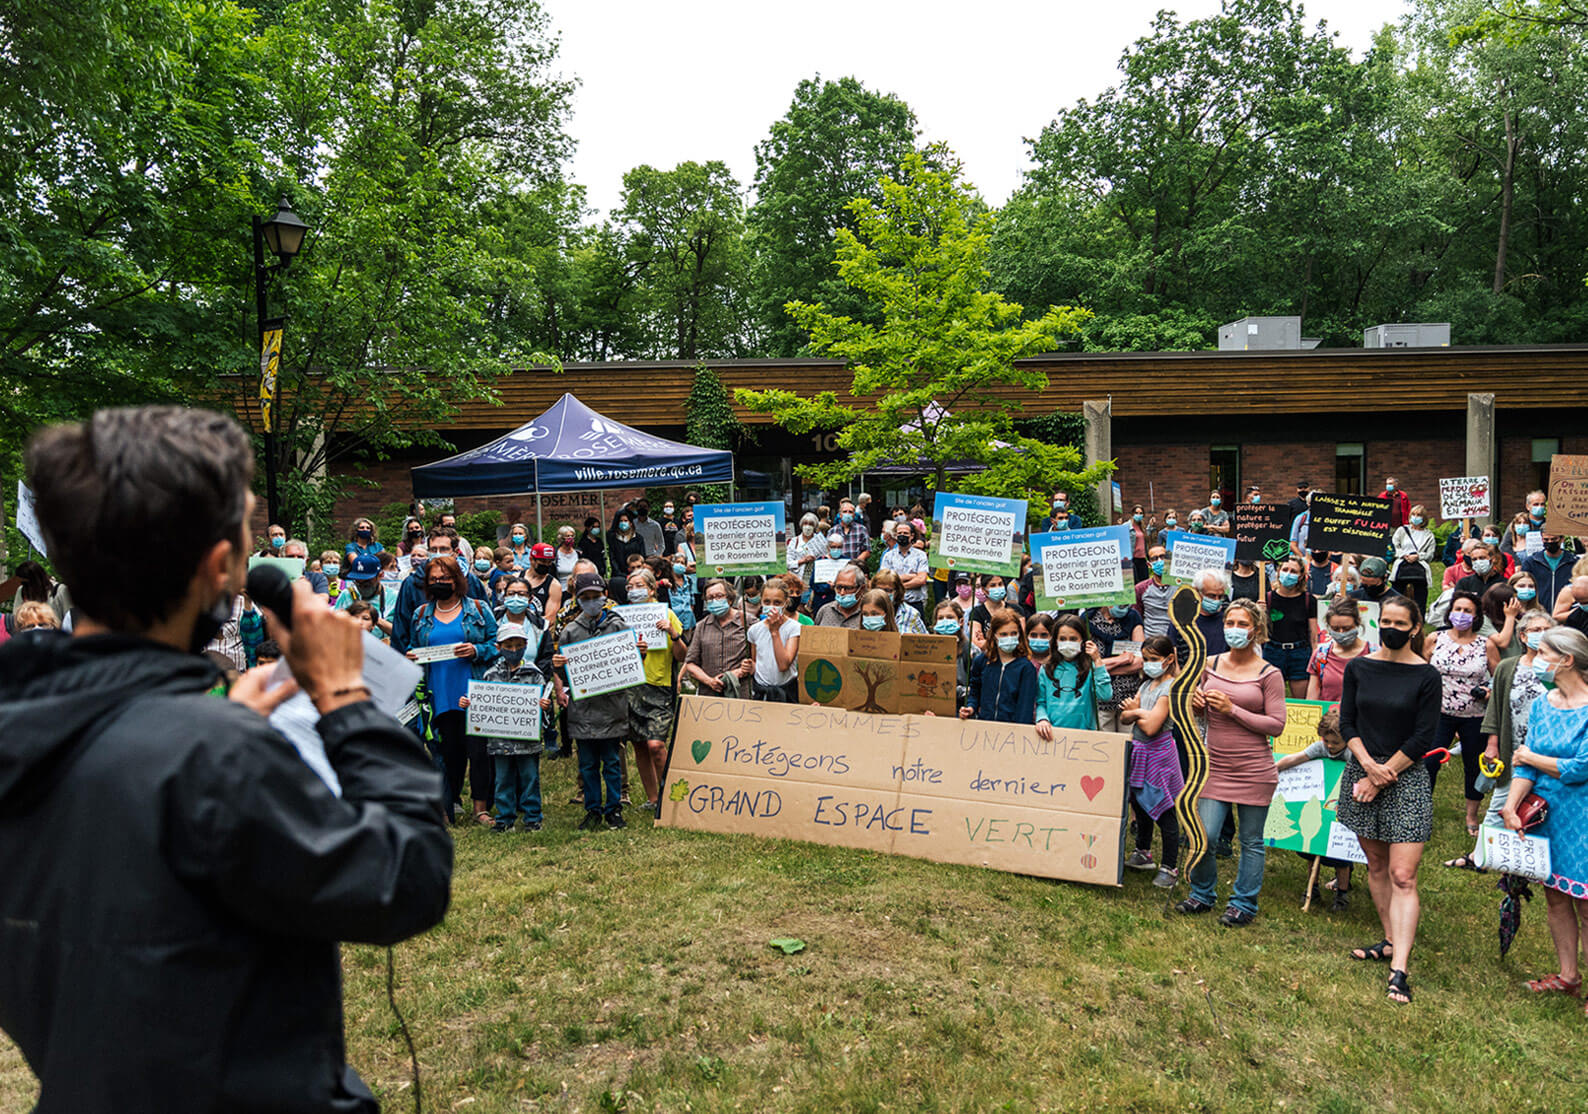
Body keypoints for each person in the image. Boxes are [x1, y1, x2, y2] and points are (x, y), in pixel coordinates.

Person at [0, 405, 450, 1111]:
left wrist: (206, 727)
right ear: (218, 567)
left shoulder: (27, 732)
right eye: (245, 529)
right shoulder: (212, 758)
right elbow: (405, 878)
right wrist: (345, 697)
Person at [1336, 595, 1442, 1004]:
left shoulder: (1427, 676)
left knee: (1403, 874)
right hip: (1363, 773)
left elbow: (1423, 736)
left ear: (1415, 628)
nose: (1392, 628)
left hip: (1405, 778)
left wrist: (1382, 777)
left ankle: (1400, 969)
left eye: (1401, 622)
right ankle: (1389, 940)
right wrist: (1366, 765)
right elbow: (1347, 721)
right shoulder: (1359, 667)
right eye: (1386, 621)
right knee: (1376, 863)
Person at [1176, 599, 1287, 926]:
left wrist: (1232, 710)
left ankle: (1243, 903)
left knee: (1251, 841)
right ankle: (1202, 893)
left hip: (1254, 769)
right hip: (1213, 766)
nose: (1234, 630)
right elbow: (1190, 709)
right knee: (1205, 835)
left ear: (1255, 630)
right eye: (1230, 623)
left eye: (1242, 624)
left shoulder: (1270, 674)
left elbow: (1277, 725)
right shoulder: (1208, 664)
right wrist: (1196, 705)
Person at [1501, 626, 1588, 1009]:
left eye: (1544, 652)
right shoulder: (1543, 704)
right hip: (1545, 813)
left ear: (1566, 660)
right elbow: (1525, 766)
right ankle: (1568, 975)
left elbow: (1581, 767)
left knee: (1587, 904)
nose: (1537, 659)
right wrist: (1509, 805)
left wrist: (1530, 758)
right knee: (1555, 896)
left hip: (1583, 815)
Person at [407, 553, 499, 826]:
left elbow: (497, 645)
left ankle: (481, 808)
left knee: (480, 752)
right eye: (434, 579)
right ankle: (450, 803)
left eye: (445, 578)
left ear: (457, 580)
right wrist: (412, 656)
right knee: (449, 753)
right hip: (438, 693)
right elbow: (414, 647)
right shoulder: (420, 614)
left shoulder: (479, 609)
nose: (440, 582)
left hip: (473, 689)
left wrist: (477, 649)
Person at [552, 572, 636, 830]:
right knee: (587, 764)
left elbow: (630, 668)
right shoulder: (570, 631)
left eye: (595, 597)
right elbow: (566, 676)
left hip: (612, 707)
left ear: (604, 596)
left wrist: (638, 654)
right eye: (585, 598)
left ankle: (613, 809)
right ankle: (592, 809)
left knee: (611, 761)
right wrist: (558, 667)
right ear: (577, 599)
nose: (591, 602)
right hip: (583, 710)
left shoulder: (618, 626)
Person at [458, 623, 553, 832]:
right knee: (502, 780)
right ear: (499, 647)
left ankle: (533, 817)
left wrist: (544, 706)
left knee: (530, 778)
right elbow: (482, 704)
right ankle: (504, 817)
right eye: (508, 645)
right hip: (499, 742)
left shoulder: (535, 674)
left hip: (527, 742)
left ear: (525, 645)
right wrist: (469, 703)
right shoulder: (490, 675)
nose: (513, 649)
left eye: (518, 645)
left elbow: (545, 705)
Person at [1424, 590, 1496, 845]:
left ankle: (1472, 816)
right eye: (1458, 609)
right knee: (1428, 763)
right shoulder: (1434, 638)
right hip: (1438, 713)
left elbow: (1497, 678)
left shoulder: (1486, 644)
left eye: (1468, 611)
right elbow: (1422, 671)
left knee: (1473, 766)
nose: (1461, 615)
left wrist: (1487, 690)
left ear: (1476, 616)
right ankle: (1421, 813)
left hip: (1474, 715)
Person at [1479, 612, 1557, 845]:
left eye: (1546, 629)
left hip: (1547, 749)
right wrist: (1493, 744)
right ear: (1522, 636)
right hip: (1513, 746)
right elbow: (1496, 707)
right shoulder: (1507, 667)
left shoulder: (1558, 667)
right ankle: (1482, 852)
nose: (1540, 635)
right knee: (1502, 800)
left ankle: (1527, 851)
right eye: (1535, 630)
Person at [1118, 635, 1185, 887]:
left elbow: (1153, 726)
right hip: (1140, 752)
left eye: (1153, 659)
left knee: (1164, 808)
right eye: (1145, 659)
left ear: (1168, 659)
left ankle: (1170, 866)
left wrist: (1135, 711)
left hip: (1159, 755)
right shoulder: (1146, 686)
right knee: (1140, 801)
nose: (1148, 664)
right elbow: (1124, 718)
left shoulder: (1170, 689)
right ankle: (1143, 851)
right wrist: (1137, 713)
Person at [1275, 709, 1354, 910]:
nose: (1330, 746)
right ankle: (1313, 888)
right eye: (1326, 741)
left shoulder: (1352, 754)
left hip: (1343, 810)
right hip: (1318, 807)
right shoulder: (1321, 748)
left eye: (1335, 743)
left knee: (1340, 857)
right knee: (1311, 849)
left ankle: (1342, 894)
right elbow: (1297, 758)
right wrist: (1275, 768)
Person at [624, 568, 684, 808]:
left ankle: (669, 796)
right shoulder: (621, 617)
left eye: (639, 585)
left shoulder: (666, 614)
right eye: (630, 587)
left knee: (655, 744)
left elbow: (681, 655)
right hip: (631, 687)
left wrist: (673, 634)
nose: (634, 590)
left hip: (659, 687)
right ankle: (653, 798)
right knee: (639, 744)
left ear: (651, 589)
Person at [391, 530, 487, 652]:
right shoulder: (412, 584)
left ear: (455, 552)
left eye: (444, 549)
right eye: (433, 549)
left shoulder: (471, 582)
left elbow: (489, 634)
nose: (438, 554)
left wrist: (477, 651)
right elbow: (401, 631)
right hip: (425, 664)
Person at [1035, 613, 1112, 733]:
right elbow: (1041, 702)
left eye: (1073, 639)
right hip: (1053, 733)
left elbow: (1105, 695)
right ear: (1055, 641)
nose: (1067, 643)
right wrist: (1042, 719)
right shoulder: (1046, 669)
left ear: (1083, 641)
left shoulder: (1090, 668)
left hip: (1083, 734)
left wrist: (1097, 661)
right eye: (1062, 639)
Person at [961, 611, 1037, 723]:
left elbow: (1025, 705)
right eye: (1004, 634)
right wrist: (971, 707)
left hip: (1012, 728)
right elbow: (975, 690)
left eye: (1013, 633)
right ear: (994, 635)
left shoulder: (1026, 667)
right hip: (985, 724)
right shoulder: (981, 661)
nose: (1009, 638)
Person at [683, 579, 753, 697]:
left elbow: (759, 658)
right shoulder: (701, 626)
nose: (715, 600)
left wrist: (741, 671)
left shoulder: (748, 622)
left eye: (719, 596)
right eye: (710, 598)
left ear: (730, 599)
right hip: (709, 695)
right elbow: (690, 663)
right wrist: (710, 681)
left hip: (740, 693)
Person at [1087, 601, 1143, 733]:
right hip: (1100, 698)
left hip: (1129, 698)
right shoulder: (1088, 619)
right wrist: (1120, 660)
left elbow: (1141, 661)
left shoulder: (1133, 617)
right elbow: (1086, 664)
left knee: (1128, 744)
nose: (1125, 607)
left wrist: (1101, 666)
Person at [1264, 556, 1316, 698]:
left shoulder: (1308, 600)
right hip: (1273, 651)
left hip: (1300, 652)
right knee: (1271, 698)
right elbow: (1259, 631)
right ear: (1279, 572)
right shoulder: (1267, 598)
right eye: (1285, 569)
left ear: (1300, 577)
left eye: (1293, 571)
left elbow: (1313, 632)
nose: (1288, 573)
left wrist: (1315, 655)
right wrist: (1259, 612)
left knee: (1302, 702)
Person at [747, 578, 801, 702]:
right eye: (767, 602)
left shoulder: (794, 628)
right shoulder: (754, 630)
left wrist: (775, 631)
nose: (771, 607)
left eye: (777, 603)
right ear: (761, 601)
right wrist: (750, 666)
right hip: (762, 691)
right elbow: (756, 661)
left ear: (786, 603)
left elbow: (783, 665)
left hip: (786, 691)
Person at [1307, 599, 1371, 702]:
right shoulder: (1321, 655)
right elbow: (1312, 698)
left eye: (1347, 628)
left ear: (1357, 622)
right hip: (1329, 715)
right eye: (1335, 629)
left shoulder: (1372, 653)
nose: (1341, 633)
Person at [332, 553, 394, 640]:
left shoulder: (394, 598)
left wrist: (375, 620)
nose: (362, 586)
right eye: (358, 582)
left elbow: (402, 634)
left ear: (380, 575)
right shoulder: (347, 595)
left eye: (367, 582)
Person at [1174, 568, 1230, 659]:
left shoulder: (1230, 616)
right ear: (1196, 591)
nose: (1216, 600)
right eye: (1211, 596)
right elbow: (1174, 651)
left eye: (1220, 596)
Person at [881, 520, 930, 614]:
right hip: (893, 604)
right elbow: (885, 580)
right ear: (895, 535)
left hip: (915, 604)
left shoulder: (921, 555)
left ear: (912, 536)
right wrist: (911, 576)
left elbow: (921, 580)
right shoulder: (888, 556)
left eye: (905, 533)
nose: (902, 535)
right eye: (899, 533)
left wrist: (898, 585)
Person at [967, 573, 1024, 653]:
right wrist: (1007, 641)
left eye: (1000, 584)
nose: (998, 588)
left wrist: (988, 639)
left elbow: (1022, 640)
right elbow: (978, 643)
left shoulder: (1016, 609)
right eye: (993, 585)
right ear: (984, 590)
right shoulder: (976, 613)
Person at [1390, 505, 1435, 604]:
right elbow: (1394, 546)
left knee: (1420, 600)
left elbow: (1430, 555)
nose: (1415, 517)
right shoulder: (1402, 530)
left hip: (1419, 567)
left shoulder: (1429, 535)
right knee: (1396, 599)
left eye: (1418, 515)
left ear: (1423, 518)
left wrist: (1418, 556)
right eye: (1413, 514)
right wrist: (1403, 555)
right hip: (1402, 565)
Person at [1522, 533, 1576, 607]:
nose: (1550, 542)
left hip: (1566, 611)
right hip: (1539, 611)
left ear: (1562, 539)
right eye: (1546, 539)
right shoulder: (1531, 562)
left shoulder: (1574, 562)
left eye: (1554, 539)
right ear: (1542, 539)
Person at [1135, 545, 1174, 639]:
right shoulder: (1140, 589)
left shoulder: (1182, 587)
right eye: (1155, 558)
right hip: (1152, 641)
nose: (1160, 561)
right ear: (1149, 564)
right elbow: (1136, 619)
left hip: (1177, 640)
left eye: (1163, 557)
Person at [873, 568, 927, 634]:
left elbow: (925, 640)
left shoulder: (910, 613)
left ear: (896, 592)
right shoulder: (866, 611)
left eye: (887, 590)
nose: (882, 593)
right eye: (879, 589)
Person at [608, 509, 646, 574]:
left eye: (625, 521)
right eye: (621, 521)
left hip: (635, 572)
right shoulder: (614, 538)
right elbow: (612, 558)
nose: (623, 523)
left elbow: (642, 555)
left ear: (630, 523)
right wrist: (618, 572)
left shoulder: (638, 538)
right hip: (618, 574)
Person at [835, 498, 871, 565]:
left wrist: (855, 563)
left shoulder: (862, 529)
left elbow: (867, 551)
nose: (847, 514)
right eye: (845, 511)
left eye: (850, 512)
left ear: (854, 515)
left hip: (856, 568)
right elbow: (828, 551)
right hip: (838, 567)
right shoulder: (833, 531)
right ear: (840, 515)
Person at [1128, 504, 1150, 583]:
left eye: (1141, 513)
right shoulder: (1127, 526)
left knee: (1145, 582)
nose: (1138, 515)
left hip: (1142, 559)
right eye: (1136, 513)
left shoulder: (1142, 527)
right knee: (1136, 583)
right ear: (1132, 514)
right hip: (1133, 560)